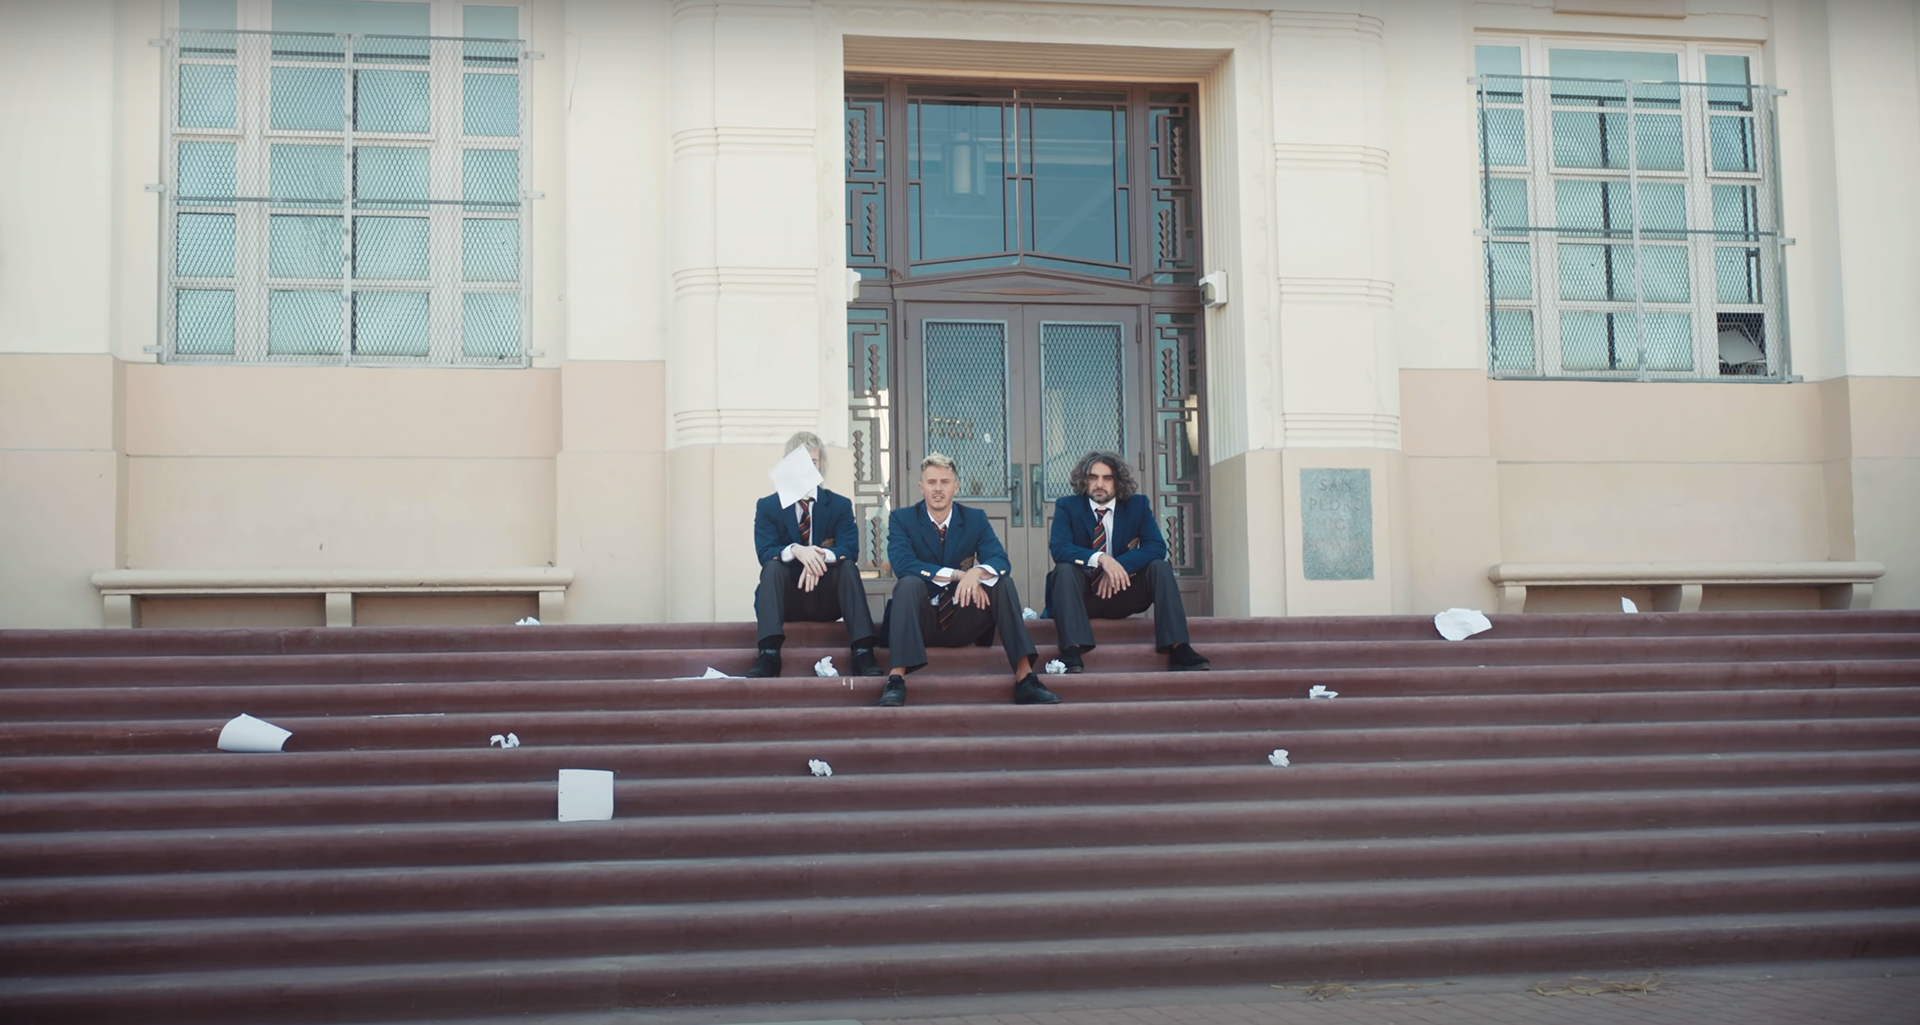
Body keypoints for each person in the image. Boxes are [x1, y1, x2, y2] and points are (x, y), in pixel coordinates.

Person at [879, 453, 1060, 707]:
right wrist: (956, 574)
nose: (938, 489)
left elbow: (1000, 561)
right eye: (931, 482)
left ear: (956, 487)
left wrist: (976, 573)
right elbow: (903, 564)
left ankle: (1025, 678)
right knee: (908, 583)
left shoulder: (975, 519)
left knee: (1002, 583)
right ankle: (896, 679)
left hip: (961, 618)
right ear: (921, 487)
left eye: (945, 482)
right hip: (920, 621)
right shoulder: (902, 519)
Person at [1046, 451, 1209, 672]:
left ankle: (1179, 648)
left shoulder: (1137, 505)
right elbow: (1059, 548)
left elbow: (1156, 547)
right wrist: (1102, 559)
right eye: (1093, 477)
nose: (1099, 484)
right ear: (1084, 480)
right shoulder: (1067, 506)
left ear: (1118, 481)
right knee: (1064, 569)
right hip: (1080, 598)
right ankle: (1071, 650)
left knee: (1160, 567)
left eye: (1107, 478)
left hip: (1121, 592)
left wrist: (1118, 565)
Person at [745, 432, 882, 678]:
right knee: (772, 567)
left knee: (847, 567)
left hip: (827, 599)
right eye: (800, 463)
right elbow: (765, 552)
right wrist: (797, 551)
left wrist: (816, 558)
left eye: (813, 462)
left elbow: (849, 549)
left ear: (821, 466)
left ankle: (863, 652)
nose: (807, 469)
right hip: (787, 600)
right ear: (788, 467)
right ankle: (769, 654)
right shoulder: (768, 506)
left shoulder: (839, 505)